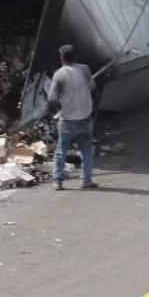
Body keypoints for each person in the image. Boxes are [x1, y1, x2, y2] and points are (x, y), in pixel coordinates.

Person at [48, 44, 97, 191]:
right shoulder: (85, 69)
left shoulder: (59, 74)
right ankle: (87, 180)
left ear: (61, 58)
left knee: (61, 149)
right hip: (85, 117)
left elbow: (51, 98)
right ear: (75, 57)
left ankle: (57, 180)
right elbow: (92, 87)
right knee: (86, 149)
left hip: (68, 119)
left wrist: (60, 103)